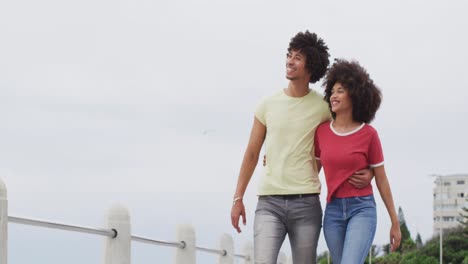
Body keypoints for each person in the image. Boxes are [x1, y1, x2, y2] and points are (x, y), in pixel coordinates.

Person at [230, 31, 373, 264]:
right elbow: (252, 153)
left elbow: (352, 134)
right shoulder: (267, 105)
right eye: (289, 55)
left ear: (311, 66)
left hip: (306, 204)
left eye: (297, 57)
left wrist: (369, 170)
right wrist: (238, 198)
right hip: (269, 203)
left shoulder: (323, 107)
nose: (289, 61)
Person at [314, 59, 401, 264]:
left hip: (361, 209)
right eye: (332, 91)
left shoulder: (369, 134)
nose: (334, 96)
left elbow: (381, 180)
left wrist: (394, 222)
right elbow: (310, 170)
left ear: (354, 95)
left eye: (341, 91)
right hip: (333, 211)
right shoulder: (322, 132)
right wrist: (275, 159)